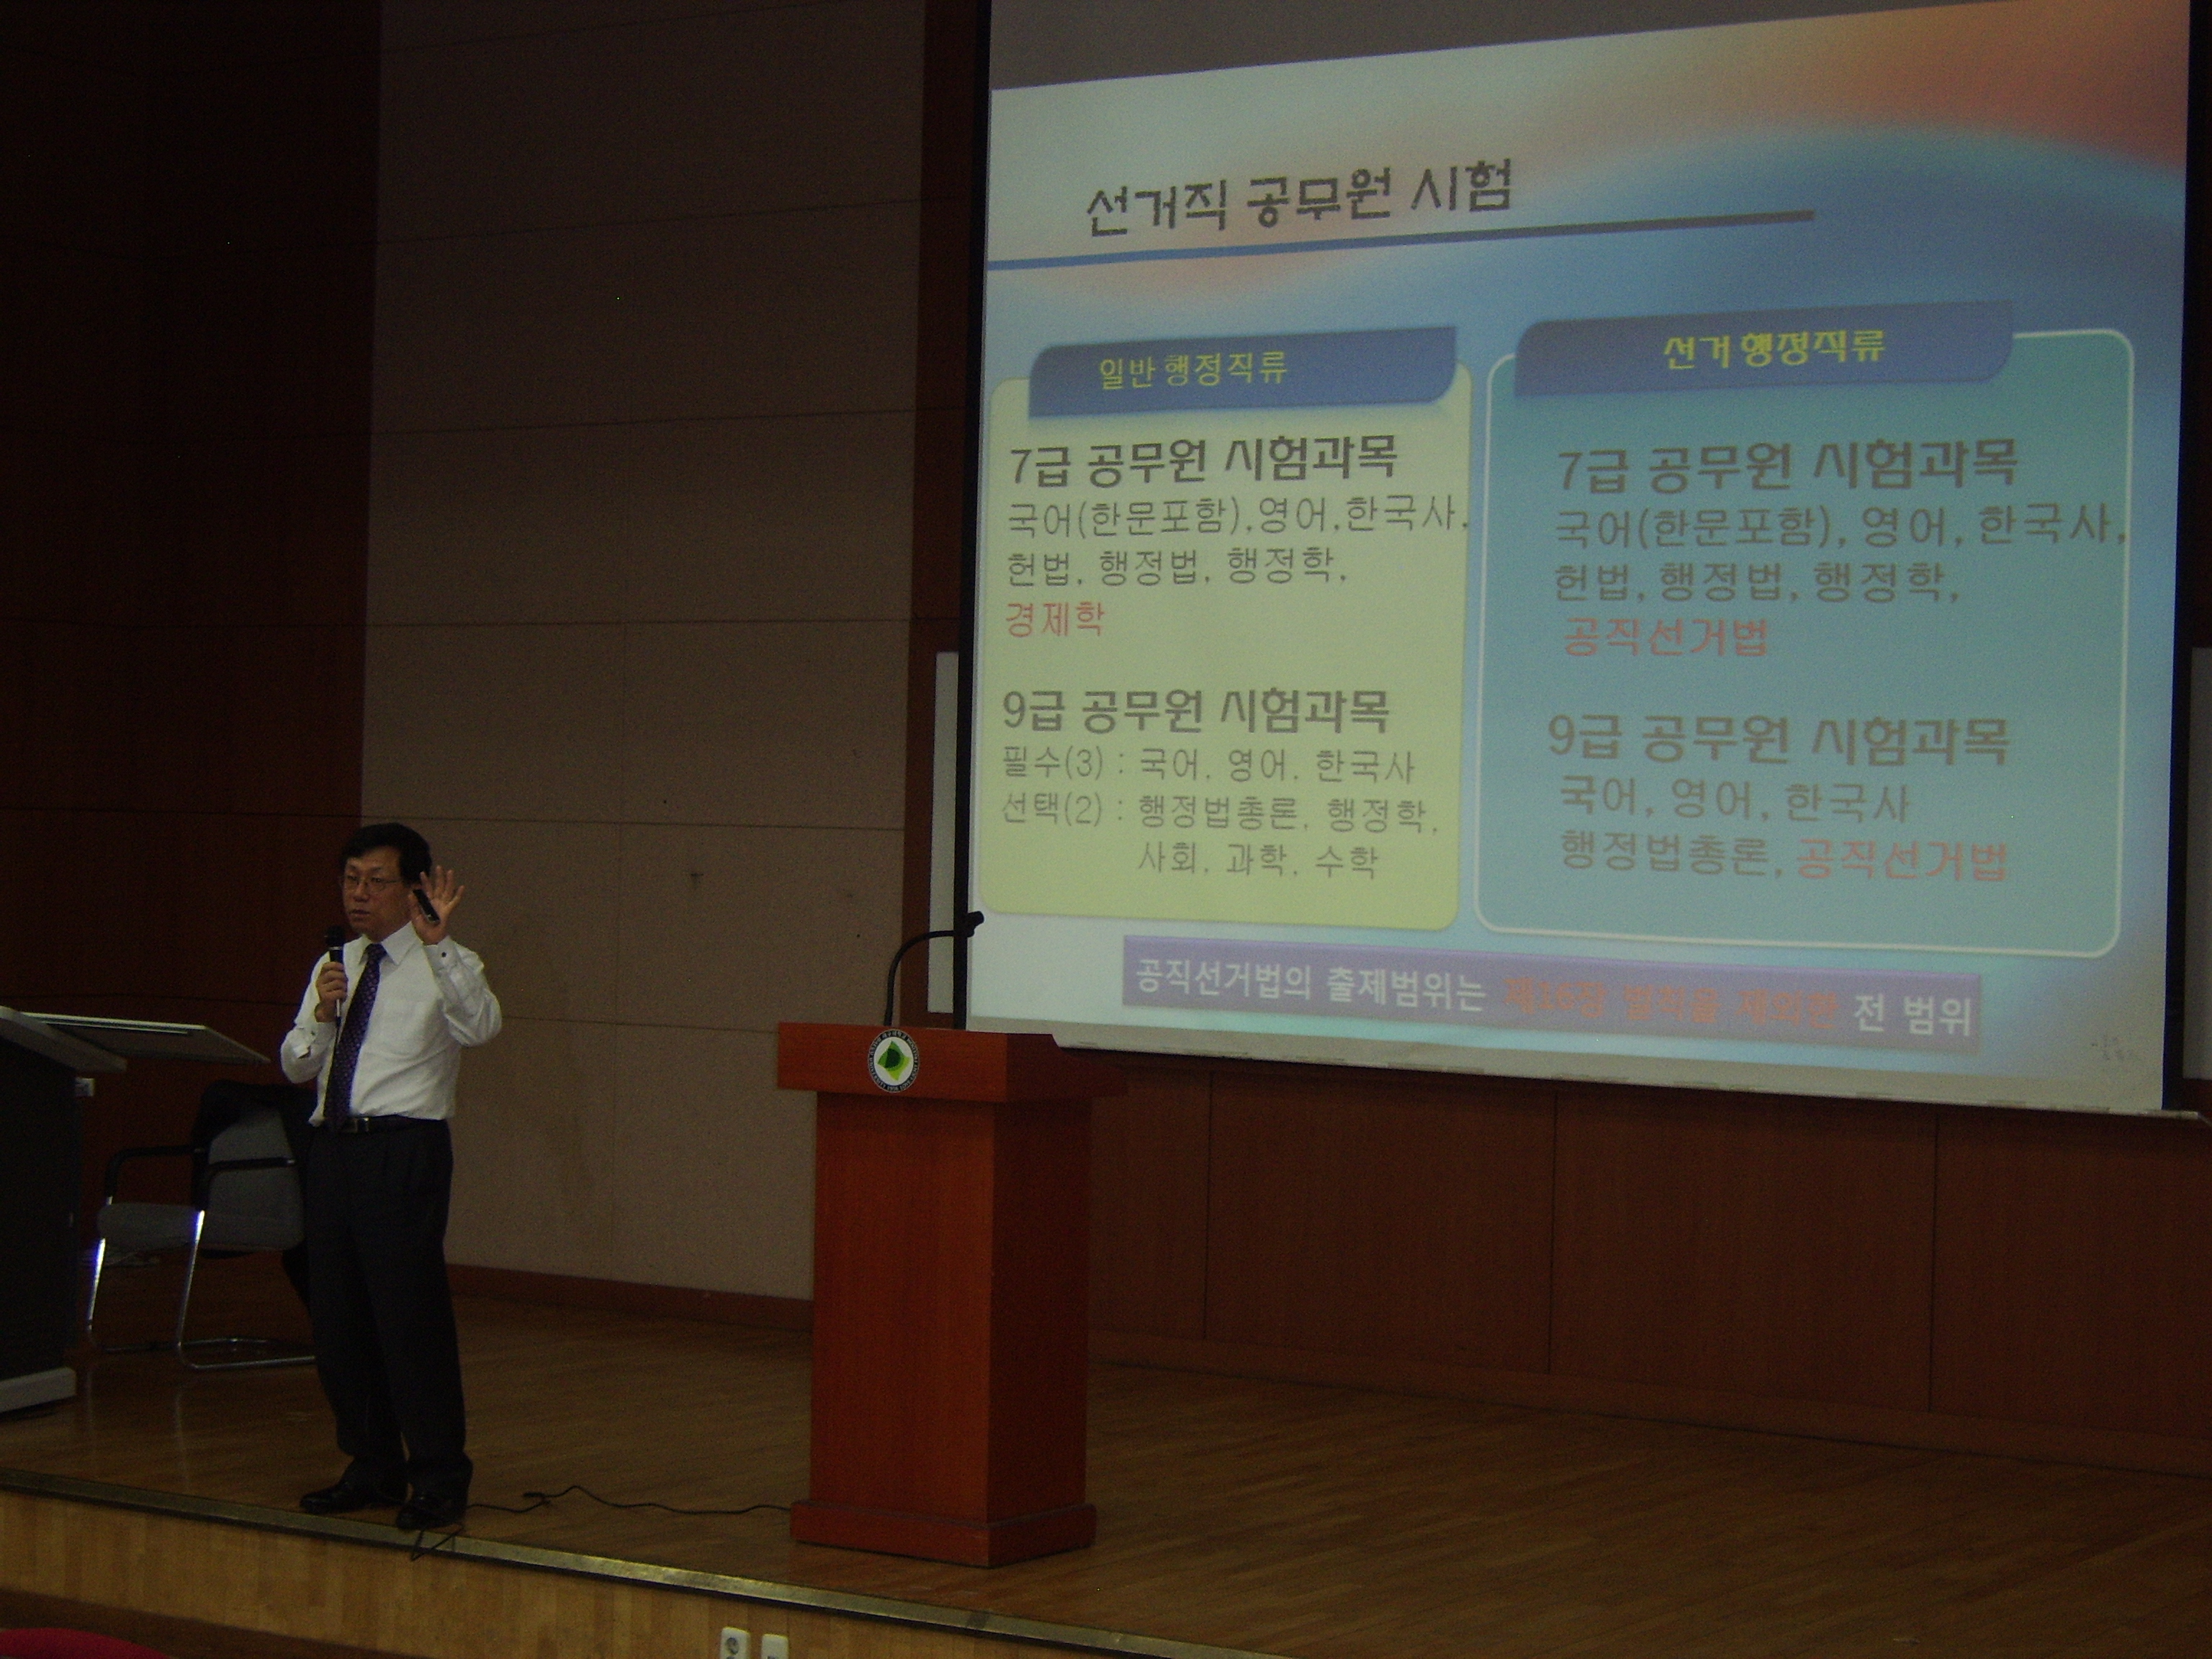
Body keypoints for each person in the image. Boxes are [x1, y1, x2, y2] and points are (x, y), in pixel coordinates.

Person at [280, 823, 501, 1530]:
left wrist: (441, 947)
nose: (359, 894)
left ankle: (438, 1475)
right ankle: (372, 1465)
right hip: (332, 1151)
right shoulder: (336, 962)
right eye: (351, 880)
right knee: (339, 1321)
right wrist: (321, 1014)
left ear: (414, 890)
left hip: (402, 1152)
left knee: (409, 1320)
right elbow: (295, 1062)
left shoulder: (447, 962)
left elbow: (482, 1027)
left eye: (376, 881)